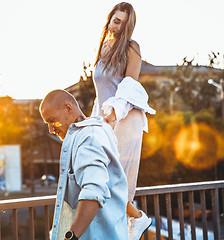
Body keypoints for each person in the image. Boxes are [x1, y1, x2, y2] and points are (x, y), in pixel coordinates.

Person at [90, 2, 155, 240]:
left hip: (125, 118)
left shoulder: (131, 48)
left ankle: (135, 219)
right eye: (116, 21)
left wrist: (113, 113)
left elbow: (128, 86)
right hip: (104, 119)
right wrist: (95, 121)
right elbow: (101, 93)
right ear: (109, 19)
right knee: (98, 177)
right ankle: (136, 218)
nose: (118, 26)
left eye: (123, 23)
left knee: (115, 179)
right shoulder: (103, 48)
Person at [40, 89, 128, 240]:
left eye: (52, 120)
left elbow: (93, 192)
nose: (51, 129)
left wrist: (71, 238)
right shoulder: (93, 132)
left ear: (68, 108)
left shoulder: (89, 137)